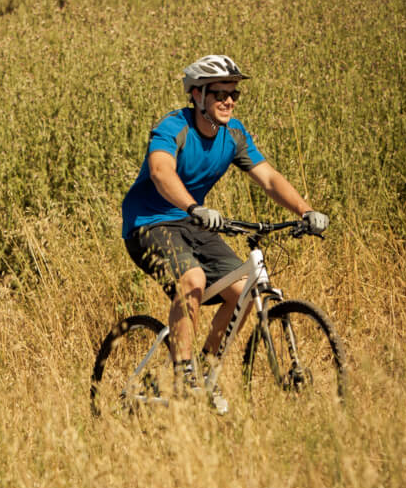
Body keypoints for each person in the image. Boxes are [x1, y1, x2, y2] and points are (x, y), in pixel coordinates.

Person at [120, 55, 329, 411]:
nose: (229, 101)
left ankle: (203, 371)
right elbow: (160, 171)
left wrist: (305, 210)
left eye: (234, 94)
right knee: (193, 278)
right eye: (220, 93)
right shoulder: (173, 127)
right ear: (198, 95)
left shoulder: (233, 134)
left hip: (192, 222)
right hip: (148, 223)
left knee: (242, 291)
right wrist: (194, 207)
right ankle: (183, 373)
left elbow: (269, 178)